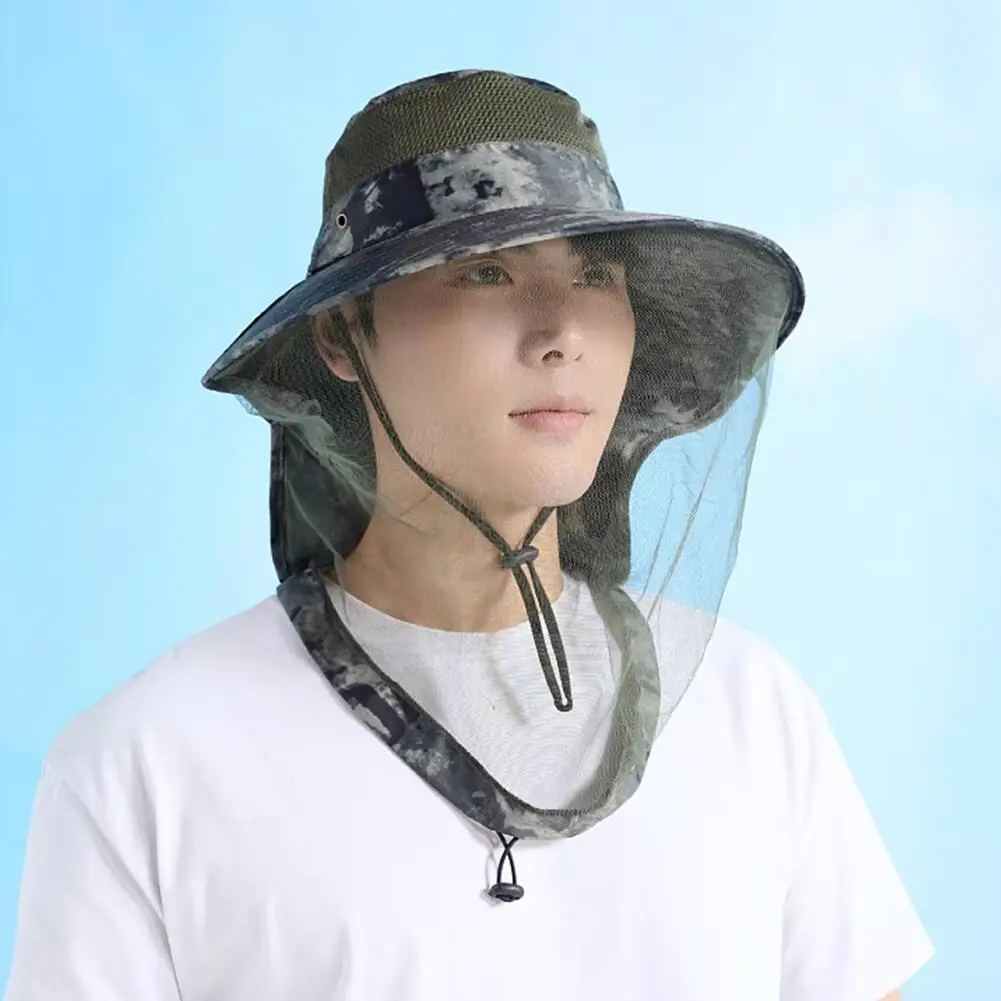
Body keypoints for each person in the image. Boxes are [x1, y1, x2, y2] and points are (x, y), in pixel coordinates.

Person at [3, 70, 934, 1001]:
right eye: (486, 271)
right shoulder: (147, 763)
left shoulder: (752, 710)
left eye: (594, 275)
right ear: (341, 335)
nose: (562, 332)